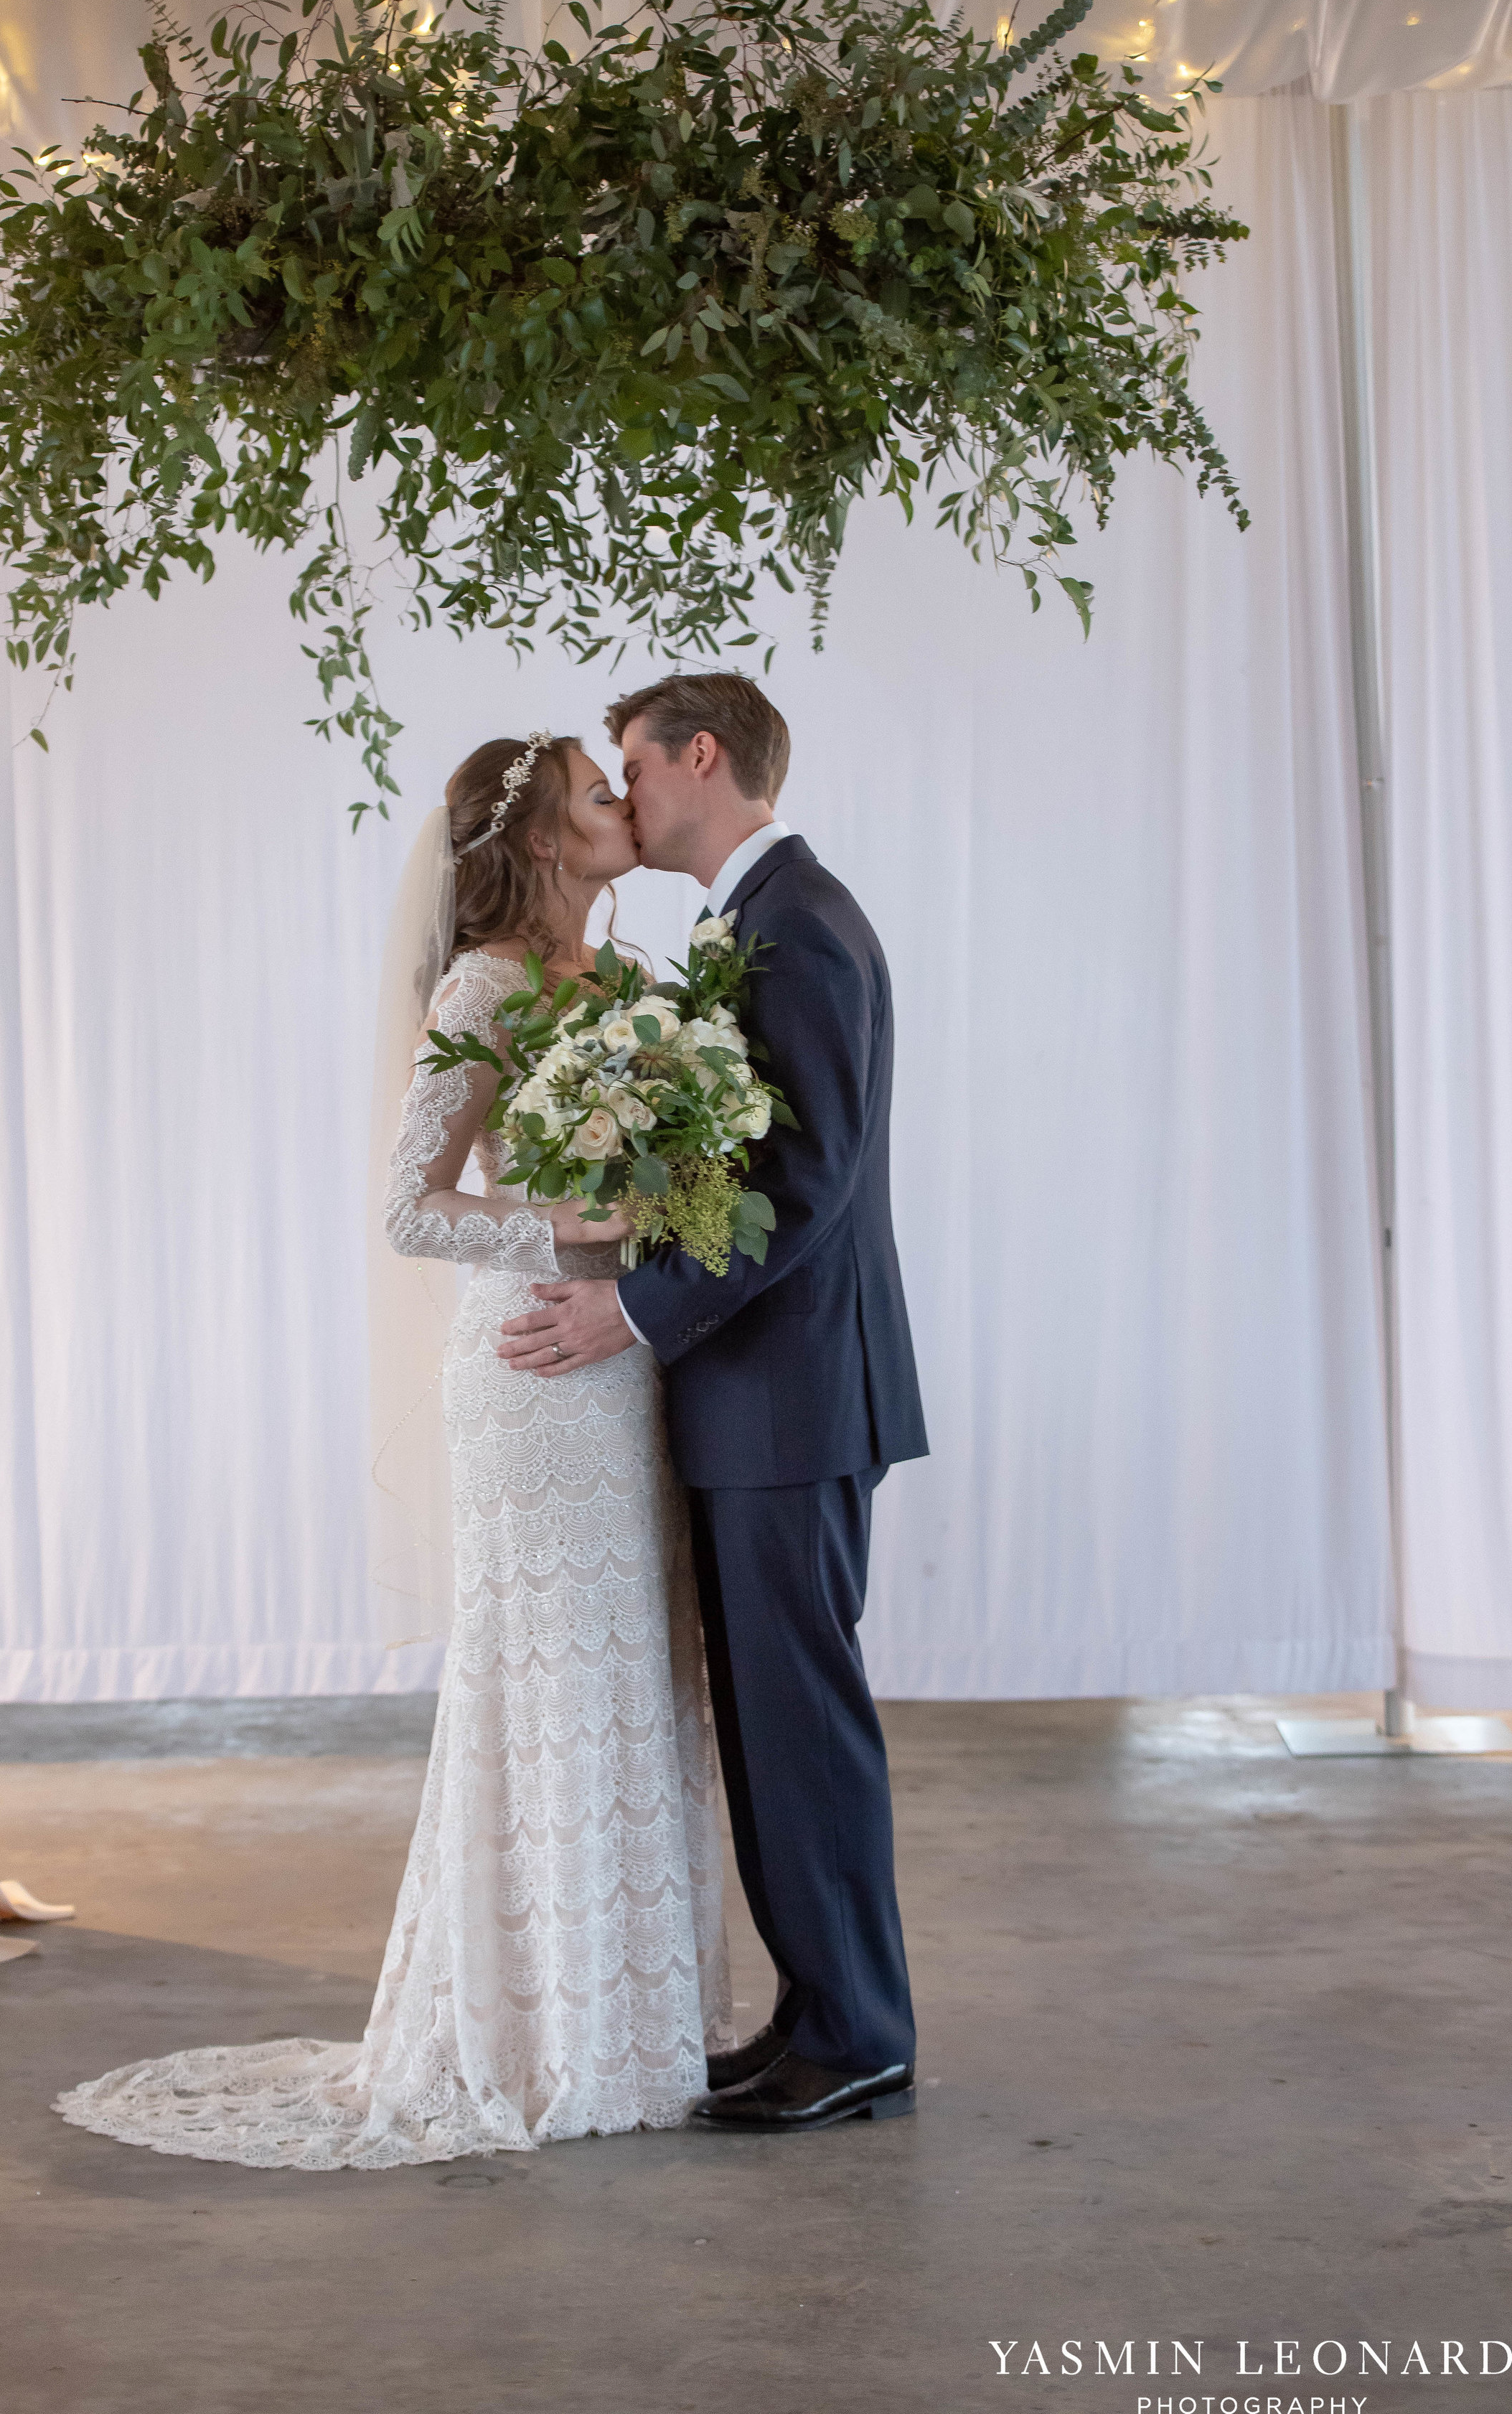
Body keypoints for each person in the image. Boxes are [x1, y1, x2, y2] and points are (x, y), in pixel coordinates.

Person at [55, 734, 731, 2171]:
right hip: (529, 1375)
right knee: (539, 1685)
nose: (623, 807)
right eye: (596, 795)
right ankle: (528, 2036)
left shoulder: (628, 989)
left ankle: (631, 2027)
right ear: (546, 837)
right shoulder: (486, 983)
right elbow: (410, 1207)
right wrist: (583, 1234)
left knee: (631, 1673)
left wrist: (660, 1231)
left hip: (623, 1368)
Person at [497, 674, 927, 2133]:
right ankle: (821, 2008)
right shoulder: (756, 921)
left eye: (634, 763)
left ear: (703, 755)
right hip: (764, 1393)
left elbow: (797, 1189)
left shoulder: (796, 929)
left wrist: (627, 1309)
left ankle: (858, 2027)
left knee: (799, 1719)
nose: (623, 795)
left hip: (792, 1394)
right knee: (766, 1718)